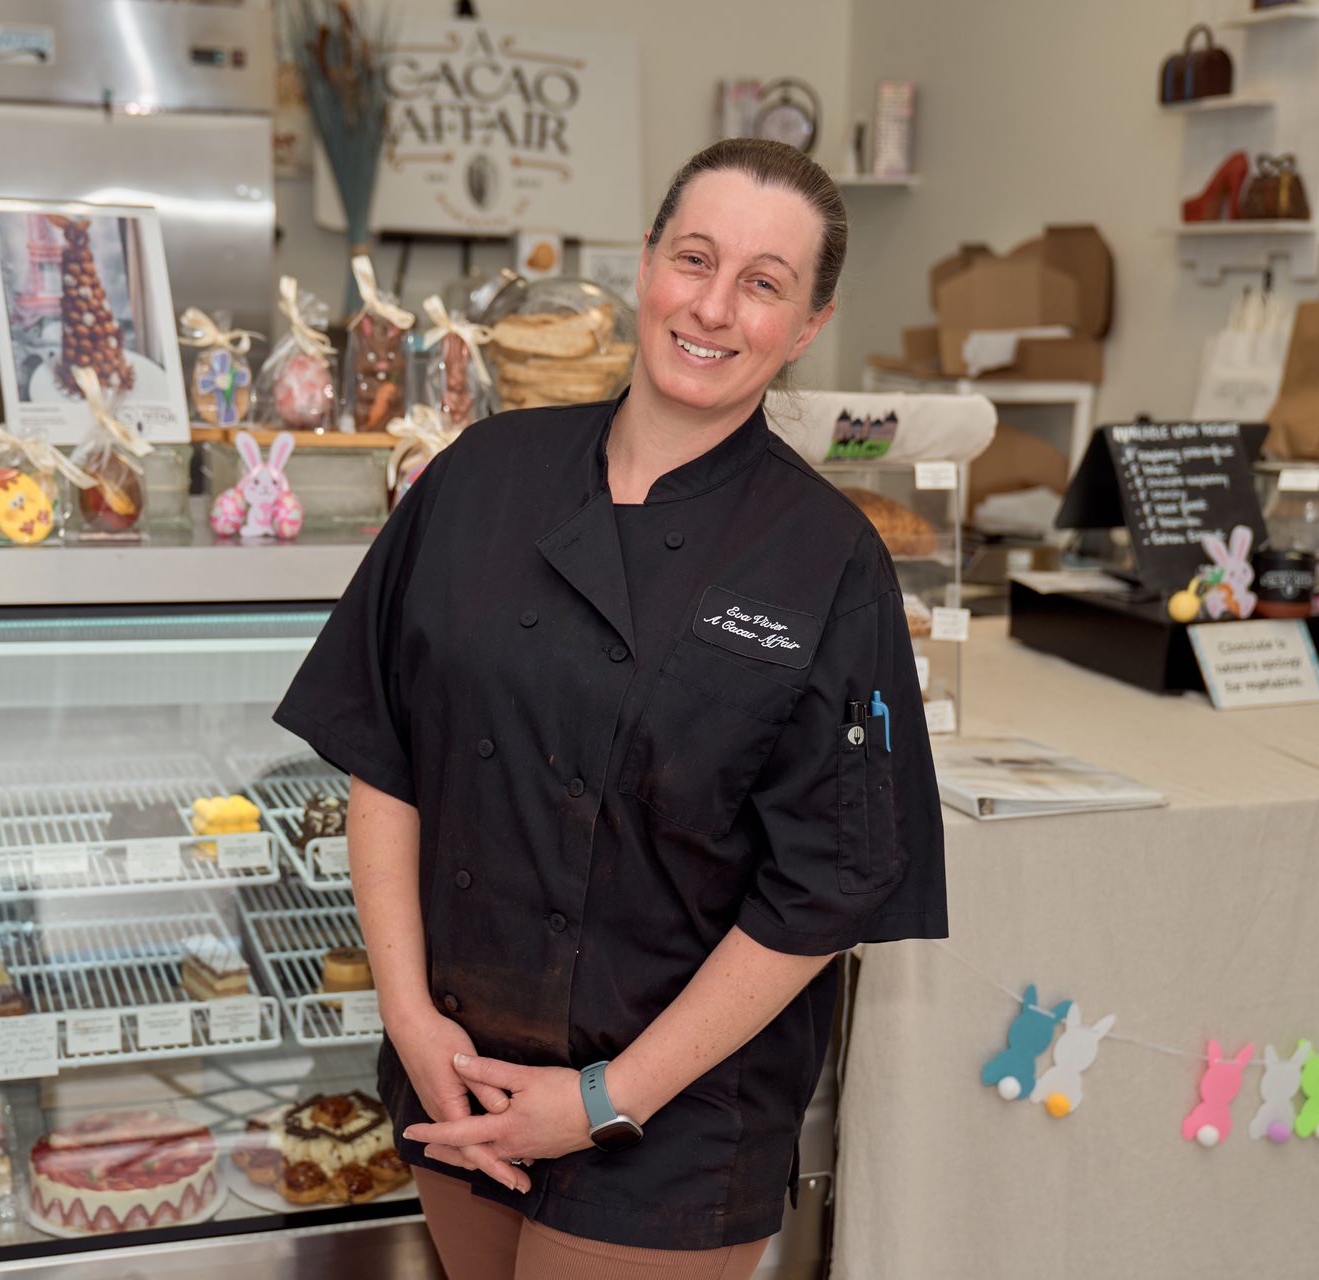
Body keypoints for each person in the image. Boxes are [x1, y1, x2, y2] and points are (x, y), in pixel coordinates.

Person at [274, 137, 947, 1280]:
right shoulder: (480, 475)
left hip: (676, 1119)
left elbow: (822, 887)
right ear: (645, 261)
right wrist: (408, 1017)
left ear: (810, 322)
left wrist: (601, 1098)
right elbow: (384, 753)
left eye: (765, 282)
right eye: (695, 257)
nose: (715, 306)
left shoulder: (829, 561)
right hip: (461, 1076)